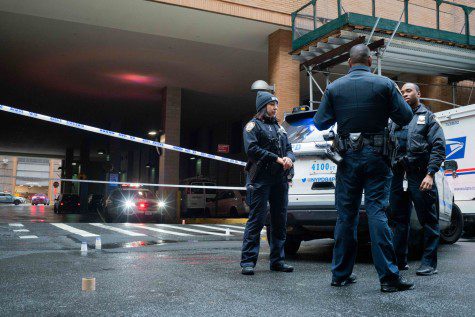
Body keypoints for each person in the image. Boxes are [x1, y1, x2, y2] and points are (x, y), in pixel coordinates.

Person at [313, 44, 415, 292]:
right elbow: (406, 117)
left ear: (349, 63)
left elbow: (319, 122)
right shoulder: (385, 84)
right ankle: (389, 278)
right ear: (370, 61)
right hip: (377, 157)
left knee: (345, 215)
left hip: (347, 158)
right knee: (377, 212)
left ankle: (340, 274)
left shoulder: (335, 88)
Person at [389, 83, 446, 276]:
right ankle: (399, 261)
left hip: (420, 175)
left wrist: (430, 174)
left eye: (409, 91)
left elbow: (438, 146)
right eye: (402, 91)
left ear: (418, 94)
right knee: (398, 220)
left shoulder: (428, 117)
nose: (404, 94)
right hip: (398, 176)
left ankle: (429, 263)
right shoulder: (395, 119)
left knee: (428, 220)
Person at [240, 91, 295, 275]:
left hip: (280, 180)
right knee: (256, 219)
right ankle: (248, 262)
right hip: (260, 179)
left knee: (280, 220)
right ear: (263, 106)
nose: (276, 107)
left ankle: (278, 261)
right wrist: (277, 159)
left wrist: (289, 158)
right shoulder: (252, 126)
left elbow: (289, 148)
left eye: (276, 104)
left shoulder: (280, 128)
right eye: (272, 104)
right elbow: (252, 149)